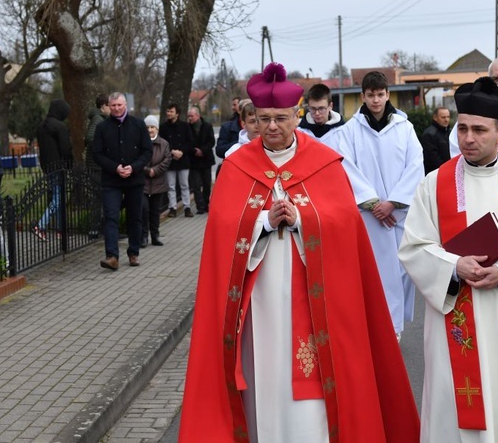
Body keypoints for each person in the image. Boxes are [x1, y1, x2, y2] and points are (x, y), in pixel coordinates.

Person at [180, 62, 419, 443]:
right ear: (252, 120)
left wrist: (302, 220)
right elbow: (222, 235)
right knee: (263, 385)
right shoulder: (236, 167)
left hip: (313, 303)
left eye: (280, 118)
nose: (271, 127)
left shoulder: (325, 164)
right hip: (258, 308)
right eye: (262, 119)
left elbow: (343, 226)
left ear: (297, 115)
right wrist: (262, 222)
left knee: (312, 402)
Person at [399, 76, 498, 443]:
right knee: (456, 407)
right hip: (454, 320)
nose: (468, 138)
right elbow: (413, 247)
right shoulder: (433, 184)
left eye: (479, 130)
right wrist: (453, 266)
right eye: (462, 128)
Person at [332, 70, 424, 340]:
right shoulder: (349, 131)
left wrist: (393, 202)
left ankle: (396, 325)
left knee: (402, 272)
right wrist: (373, 203)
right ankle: (382, 329)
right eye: (370, 95)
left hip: (397, 213)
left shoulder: (404, 128)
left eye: (380, 94)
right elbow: (346, 167)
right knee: (375, 272)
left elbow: (415, 165)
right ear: (363, 96)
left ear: (387, 95)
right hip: (369, 216)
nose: (375, 100)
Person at [91, 92, 152, 270]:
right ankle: (112, 256)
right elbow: (97, 153)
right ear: (108, 106)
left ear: (126, 105)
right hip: (111, 179)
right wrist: (115, 167)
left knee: (135, 216)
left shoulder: (138, 125)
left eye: (119, 105)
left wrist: (133, 167)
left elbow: (147, 151)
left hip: (134, 178)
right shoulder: (102, 128)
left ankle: (133, 252)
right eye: (113, 106)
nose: (116, 108)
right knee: (111, 216)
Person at [33, 99, 73, 241]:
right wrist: (69, 164)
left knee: (58, 197)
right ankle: (40, 225)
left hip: (47, 166)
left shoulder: (41, 126)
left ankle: (60, 229)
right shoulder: (60, 127)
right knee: (58, 198)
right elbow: (66, 148)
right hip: (59, 166)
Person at [141, 115, 171, 248]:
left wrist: (155, 170)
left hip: (159, 183)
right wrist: (148, 171)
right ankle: (143, 236)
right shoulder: (140, 142)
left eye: (152, 127)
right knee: (143, 210)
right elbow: (138, 160)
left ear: (157, 129)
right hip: (143, 183)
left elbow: (167, 160)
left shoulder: (164, 144)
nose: (149, 130)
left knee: (155, 211)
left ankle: (155, 236)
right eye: (147, 127)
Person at [160, 103, 194, 218]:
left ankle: (187, 207)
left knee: (184, 185)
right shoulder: (163, 127)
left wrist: (181, 152)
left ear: (177, 114)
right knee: (171, 186)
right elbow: (162, 143)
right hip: (170, 160)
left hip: (183, 160)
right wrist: (172, 152)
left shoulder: (185, 126)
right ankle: (172, 207)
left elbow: (190, 142)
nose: (169, 113)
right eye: (168, 111)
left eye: (171, 111)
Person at [186, 106, 215, 214]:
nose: (190, 118)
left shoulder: (207, 126)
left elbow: (211, 141)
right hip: (194, 161)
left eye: (191, 116)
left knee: (207, 184)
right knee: (196, 185)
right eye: (188, 116)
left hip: (206, 159)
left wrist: (202, 150)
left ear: (197, 116)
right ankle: (200, 206)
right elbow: (187, 143)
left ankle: (206, 203)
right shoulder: (187, 128)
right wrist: (194, 151)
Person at [421, 106, 451, 174]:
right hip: (436, 174)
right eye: (443, 117)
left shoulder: (450, 133)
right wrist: (447, 170)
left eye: (448, 117)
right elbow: (432, 159)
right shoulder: (429, 135)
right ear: (435, 118)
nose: (446, 120)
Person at [85, 94, 110, 171]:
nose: (111, 108)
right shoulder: (98, 119)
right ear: (103, 106)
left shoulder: (101, 118)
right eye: (109, 106)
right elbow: (90, 138)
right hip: (95, 164)